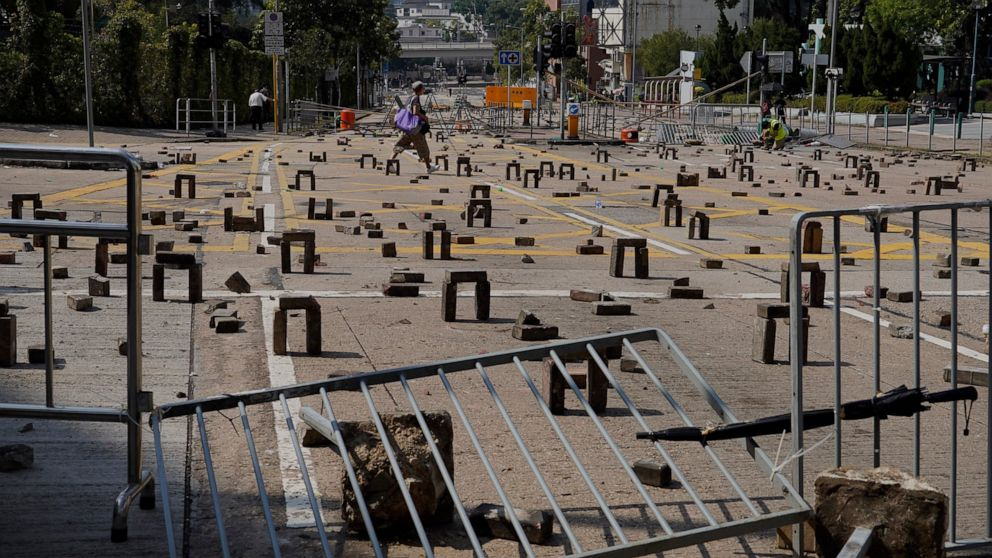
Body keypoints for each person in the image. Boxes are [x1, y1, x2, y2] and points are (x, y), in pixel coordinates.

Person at [393, 81, 439, 173]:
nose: (424, 90)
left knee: (399, 145)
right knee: (424, 148)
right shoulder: (416, 98)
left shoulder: (410, 98)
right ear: (420, 89)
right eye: (423, 88)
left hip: (407, 128)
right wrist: (425, 117)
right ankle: (429, 167)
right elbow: (415, 112)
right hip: (414, 129)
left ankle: (390, 163)